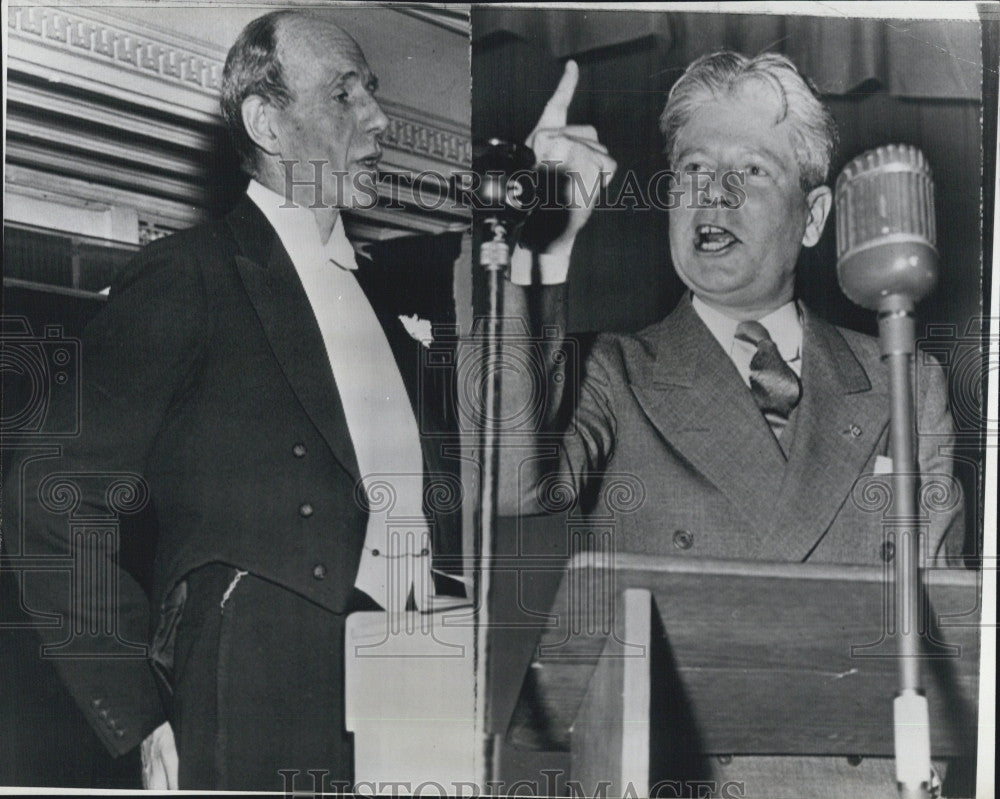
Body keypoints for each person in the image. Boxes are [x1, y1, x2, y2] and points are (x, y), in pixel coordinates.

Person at [3, 10, 463, 791]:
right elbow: (50, 490)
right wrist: (140, 707)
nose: (380, 118)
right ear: (266, 122)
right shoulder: (193, 274)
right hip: (259, 674)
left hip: (413, 676)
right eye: (345, 94)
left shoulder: (383, 302)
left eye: (373, 92)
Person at [500, 52, 964, 797]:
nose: (713, 192)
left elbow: (948, 644)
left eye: (750, 171)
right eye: (690, 170)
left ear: (813, 218)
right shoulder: (610, 374)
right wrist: (541, 250)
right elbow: (511, 487)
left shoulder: (903, 381)